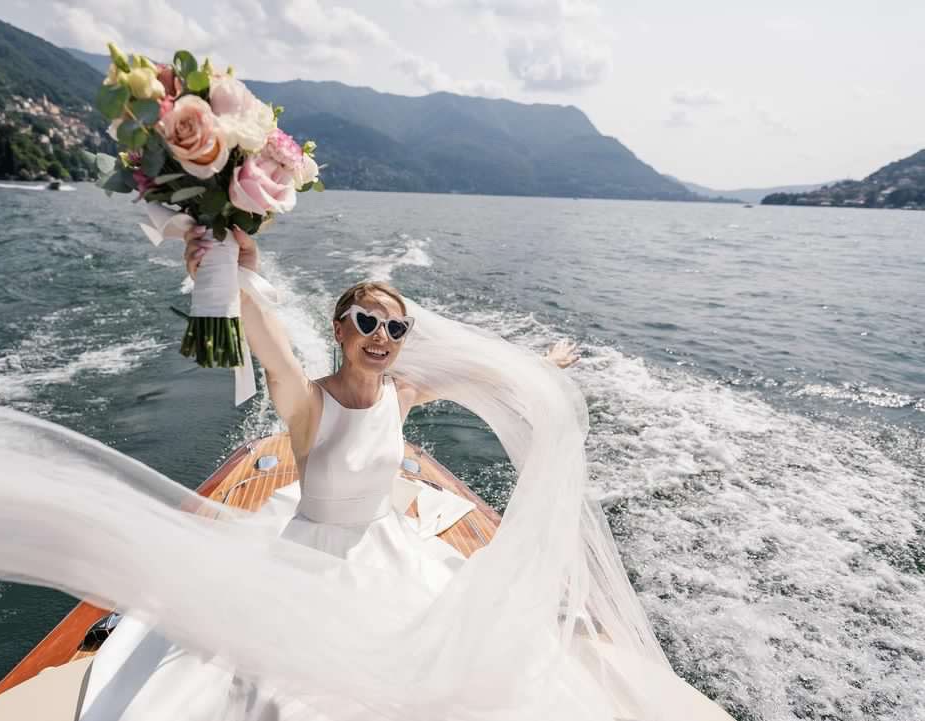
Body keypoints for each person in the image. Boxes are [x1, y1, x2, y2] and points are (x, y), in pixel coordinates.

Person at [78, 227, 584, 720]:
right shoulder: (309, 401)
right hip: (309, 562)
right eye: (366, 322)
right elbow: (273, 355)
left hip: (388, 549)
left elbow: (480, 378)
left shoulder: (401, 392)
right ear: (340, 329)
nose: (380, 336)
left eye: (395, 328)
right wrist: (240, 280)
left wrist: (542, 366)